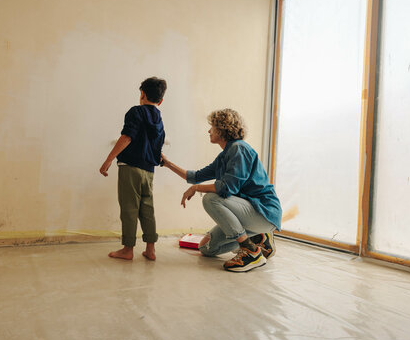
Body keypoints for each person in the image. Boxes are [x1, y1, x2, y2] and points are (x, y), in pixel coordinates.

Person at [161, 108, 282, 272]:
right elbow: (195, 176)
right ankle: (258, 238)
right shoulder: (225, 154)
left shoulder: (239, 149)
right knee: (207, 248)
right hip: (249, 213)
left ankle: (251, 252)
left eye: (212, 127)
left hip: (264, 212)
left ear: (223, 129)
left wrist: (196, 189)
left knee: (210, 198)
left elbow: (227, 188)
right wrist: (167, 164)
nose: (209, 130)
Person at [99, 77, 167, 261]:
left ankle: (128, 249)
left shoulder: (136, 112)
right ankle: (150, 249)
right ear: (160, 101)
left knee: (129, 208)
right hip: (149, 171)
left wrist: (109, 159)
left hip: (130, 167)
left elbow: (127, 137)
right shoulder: (159, 119)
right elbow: (158, 146)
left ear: (142, 94)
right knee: (147, 208)